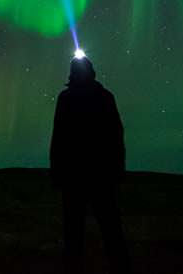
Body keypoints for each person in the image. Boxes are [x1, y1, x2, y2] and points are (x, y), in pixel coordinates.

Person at [50, 53, 130, 272]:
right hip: (102, 174)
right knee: (110, 226)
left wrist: (57, 172)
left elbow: (59, 138)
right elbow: (116, 134)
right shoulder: (105, 97)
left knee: (74, 229)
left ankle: (74, 266)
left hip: (74, 175)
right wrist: (118, 168)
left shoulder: (66, 98)